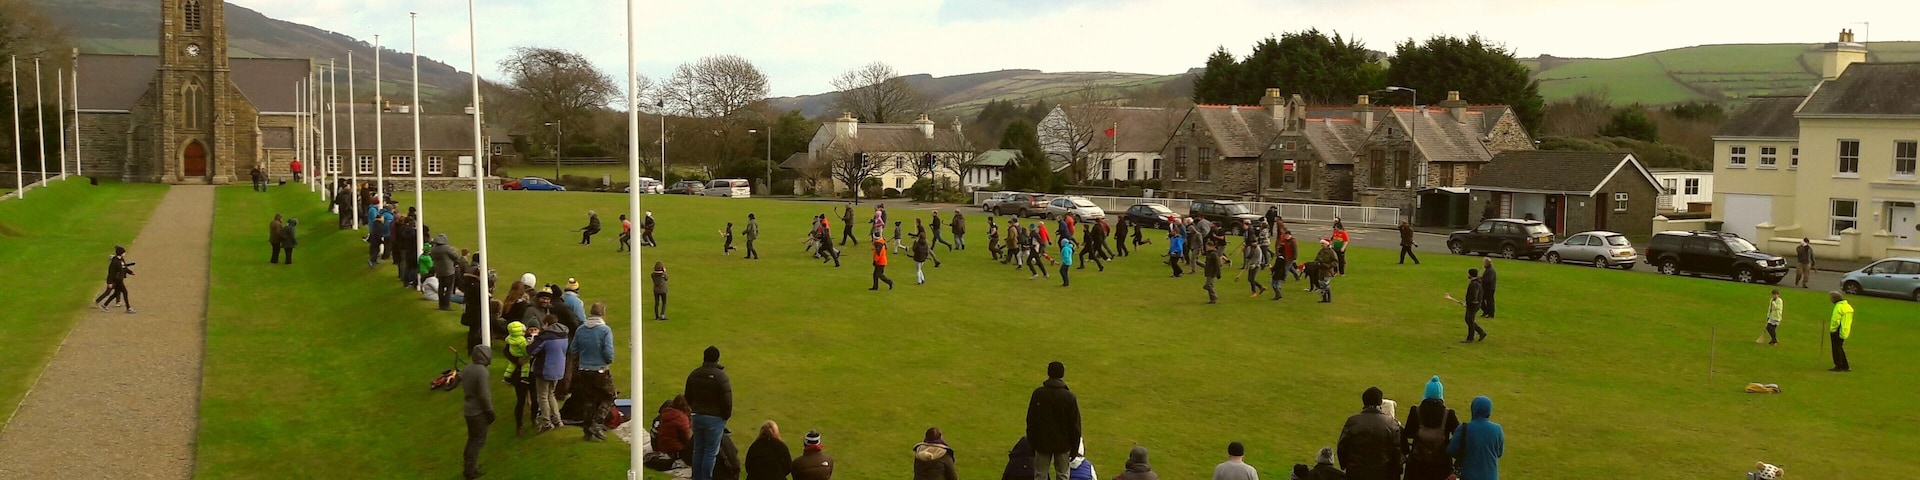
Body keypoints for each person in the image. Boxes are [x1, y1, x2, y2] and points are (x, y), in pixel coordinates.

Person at [686, 346, 736, 480]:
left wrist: (695, 410)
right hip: (715, 419)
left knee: (698, 450)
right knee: (710, 452)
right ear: (717, 358)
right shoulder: (721, 377)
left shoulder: (694, 374)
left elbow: (688, 397)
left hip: (697, 416)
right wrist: (725, 416)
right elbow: (727, 400)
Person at [1027, 361, 1081, 480]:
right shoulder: (1069, 397)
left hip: (1042, 443)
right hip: (1063, 444)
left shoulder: (1038, 394)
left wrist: (1031, 442)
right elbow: (1075, 425)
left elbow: (1031, 420)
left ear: (1048, 373)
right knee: (1062, 475)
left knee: (1040, 475)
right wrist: (1075, 448)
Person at [571, 302, 616, 441]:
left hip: (584, 370)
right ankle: (597, 423)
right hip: (600, 370)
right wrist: (607, 361)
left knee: (589, 400)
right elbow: (608, 353)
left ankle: (587, 431)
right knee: (610, 396)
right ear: (603, 313)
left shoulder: (580, 330)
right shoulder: (605, 330)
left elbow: (573, 349)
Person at [1337, 386, 1403, 480]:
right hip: (1381, 473)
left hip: (1356, 472)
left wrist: (1346, 465)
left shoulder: (1353, 421)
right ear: (1380, 403)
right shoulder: (1392, 424)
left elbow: (1342, 447)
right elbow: (1396, 453)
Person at [1402, 376, 1460, 480]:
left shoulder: (1415, 411)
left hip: (1417, 465)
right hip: (1441, 466)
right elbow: (1459, 435)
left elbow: (1408, 434)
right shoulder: (1449, 414)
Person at [459, 344, 495, 480]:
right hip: (478, 412)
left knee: (472, 440)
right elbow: (484, 396)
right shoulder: (482, 371)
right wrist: (490, 412)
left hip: (468, 410)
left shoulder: (467, 368)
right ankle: (470, 471)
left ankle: (468, 467)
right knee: (478, 441)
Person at [528, 319, 569, 434]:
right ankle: (557, 420)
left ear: (546, 324)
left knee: (542, 396)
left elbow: (531, 350)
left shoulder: (546, 337)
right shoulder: (564, 335)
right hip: (558, 369)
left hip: (545, 370)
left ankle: (546, 422)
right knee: (551, 394)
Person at [1447, 396, 1503, 480]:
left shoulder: (1464, 428)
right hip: (1491, 476)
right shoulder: (1497, 429)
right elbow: (1499, 453)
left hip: (1468, 475)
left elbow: (1451, 450)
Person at [502, 320, 535, 436]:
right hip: (518, 373)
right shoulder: (516, 339)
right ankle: (519, 425)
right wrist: (517, 360)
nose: (531, 332)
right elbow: (506, 351)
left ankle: (534, 420)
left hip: (533, 373)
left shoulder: (535, 339)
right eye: (530, 329)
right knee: (520, 400)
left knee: (535, 399)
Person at [93, 245, 136, 313]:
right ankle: (128, 308)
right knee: (125, 292)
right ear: (121, 253)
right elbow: (111, 272)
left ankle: (104, 305)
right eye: (124, 252)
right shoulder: (114, 261)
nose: (125, 253)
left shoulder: (121, 259)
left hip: (120, 279)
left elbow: (124, 267)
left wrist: (131, 272)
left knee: (116, 293)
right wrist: (109, 282)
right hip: (117, 280)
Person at [657, 395, 695, 465]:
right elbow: (687, 438)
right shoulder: (681, 418)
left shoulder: (667, 412)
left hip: (663, 447)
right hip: (675, 450)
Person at [1454, 269, 1488, 343]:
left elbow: (1473, 296)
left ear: (1471, 275)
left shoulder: (1474, 284)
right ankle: (1481, 333)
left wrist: (1468, 303)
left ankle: (1471, 338)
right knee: (1469, 320)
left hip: (1474, 305)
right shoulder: (1477, 282)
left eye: (1468, 274)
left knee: (1469, 320)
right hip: (1475, 304)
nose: (1467, 275)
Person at [1828, 291, 1852, 372]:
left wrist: (1832, 330)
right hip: (1845, 329)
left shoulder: (1838, 307)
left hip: (1837, 330)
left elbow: (1836, 320)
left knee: (1836, 348)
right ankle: (1845, 366)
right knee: (1840, 347)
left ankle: (1838, 366)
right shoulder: (1848, 307)